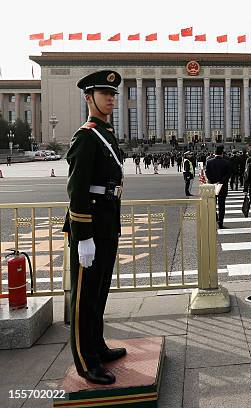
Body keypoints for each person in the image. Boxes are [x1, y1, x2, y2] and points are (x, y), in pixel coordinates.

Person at [62, 70, 126, 385]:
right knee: (84, 295)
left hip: (107, 222)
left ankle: (97, 346)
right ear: (89, 97)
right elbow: (77, 191)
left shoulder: (107, 132)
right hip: (90, 227)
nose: (111, 98)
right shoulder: (86, 136)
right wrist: (83, 237)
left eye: (113, 94)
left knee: (99, 291)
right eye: (105, 94)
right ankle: (86, 361)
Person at [205, 144, 233, 228]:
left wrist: (213, 181)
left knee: (213, 203)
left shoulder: (209, 162)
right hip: (222, 186)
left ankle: (215, 217)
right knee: (222, 204)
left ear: (214, 153)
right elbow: (228, 174)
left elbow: (207, 173)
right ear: (222, 154)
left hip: (212, 185)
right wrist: (220, 181)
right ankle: (220, 222)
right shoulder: (226, 162)